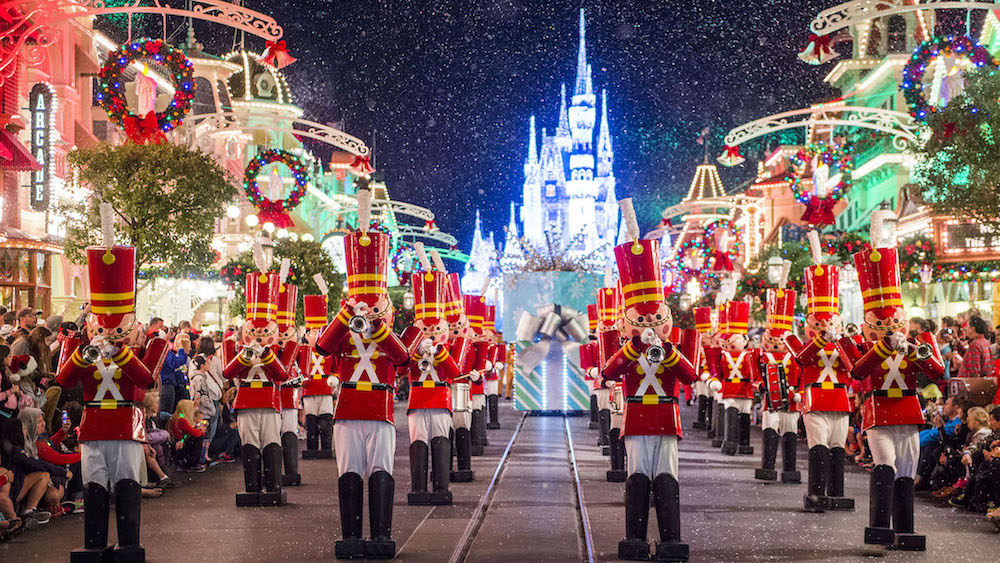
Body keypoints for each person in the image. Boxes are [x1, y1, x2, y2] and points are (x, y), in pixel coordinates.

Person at [55, 237, 169, 562]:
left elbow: (145, 380)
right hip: (92, 426)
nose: (112, 333)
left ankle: (128, 544)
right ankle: (94, 544)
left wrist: (119, 353)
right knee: (94, 488)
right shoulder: (84, 348)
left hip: (125, 424)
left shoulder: (137, 350)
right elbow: (64, 380)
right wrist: (82, 352)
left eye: (120, 329)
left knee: (127, 484)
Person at [315, 185, 411, 559]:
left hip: (380, 409)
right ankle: (351, 535)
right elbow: (323, 346)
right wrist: (346, 313)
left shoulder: (389, 329)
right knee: (349, 471)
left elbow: (402, 359)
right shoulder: (344, 327)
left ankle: (382, 535)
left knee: (381, 472)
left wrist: (378, 324)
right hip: (348, 410)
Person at [602, 201, 700, 562]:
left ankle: (672, 538)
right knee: (638, 474)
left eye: (657, 318)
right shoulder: (625, 346)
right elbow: (609, 372)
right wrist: (633, 347)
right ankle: (636, 538)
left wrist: (666, 349)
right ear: (628, 322)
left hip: (666, 418)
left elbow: (690, 375)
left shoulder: (676, 346)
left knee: (667, 475)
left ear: (667, 318)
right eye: (642, 320)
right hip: (637, 418)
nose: (651, 325)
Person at [842, 209, 945, 551]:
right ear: (870, 324)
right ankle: (878, 527)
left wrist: (919, 351)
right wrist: (885, 347)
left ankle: (906, 528)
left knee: (905, 472)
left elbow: (939, 376)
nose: (891, 330)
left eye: (895, 324)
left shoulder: (921, 343)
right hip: (878, 414)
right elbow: (858, 371)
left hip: (910, 413)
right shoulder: (863, 346)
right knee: (884, 466)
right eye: (882, 325)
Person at [221, 256, 291, 508]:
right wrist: (246, 354)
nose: (259, 336)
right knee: (249, 443)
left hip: (270, 400)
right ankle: (252, 487)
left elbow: (282, 374)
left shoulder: (281, 348)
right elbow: (229, 373)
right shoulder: (235, 347)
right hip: (246, 400)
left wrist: (267, 354)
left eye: (264, 332)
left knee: (271, 440)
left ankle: (272, 487)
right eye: (255, 331)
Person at [400, 244, 459, 506]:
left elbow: (454, 372)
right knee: (418, 441)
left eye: (437, 328)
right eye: (427, 328)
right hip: (418, 399)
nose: (432, 332)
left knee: (440, 440)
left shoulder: (445, 347)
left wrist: (438, 351)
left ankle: (441, 487)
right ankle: (418, 487)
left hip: (439, 397)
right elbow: (401, 368)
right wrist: (416, 347)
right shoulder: (413, 344)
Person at [0, 418, 54, 527]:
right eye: (23, 429)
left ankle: (27, 513)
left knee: (44, 477)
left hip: (13, 486)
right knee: (3, 497)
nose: (26, 431)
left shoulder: (22, 446)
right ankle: (14, 523)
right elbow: (35, 464)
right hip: (10, 491)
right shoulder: (13, 450)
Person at [189, 339, 223, 465]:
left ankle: (203, 454)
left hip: (204, 397)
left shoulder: (194, 360)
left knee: (203, 424)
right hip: (210, 397)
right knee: (208, 425)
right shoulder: (212, 360)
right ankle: (204, 454)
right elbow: (221, 375)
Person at [167, 400, 206, 473]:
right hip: (180, 445)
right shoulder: (182, 420)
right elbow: (196, 434)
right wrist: (201, 430)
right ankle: (192, 464)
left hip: (179, 443)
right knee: (198, 439)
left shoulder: (177, 417)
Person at [160, 334, 190, 416]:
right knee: (167, 412)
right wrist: (181, 350)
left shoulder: (163, 350)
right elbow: (176, 362)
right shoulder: (163, 351)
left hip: (168, 385)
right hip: (166, 385)